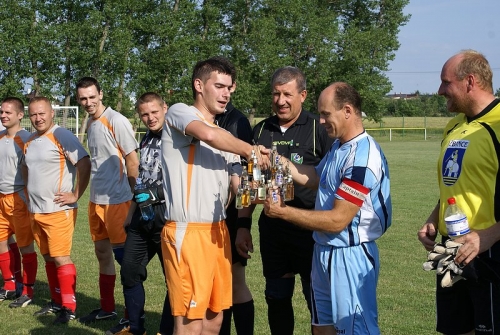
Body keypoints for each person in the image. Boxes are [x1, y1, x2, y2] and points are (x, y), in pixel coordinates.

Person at [264, 82, 392, 334]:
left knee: (355, 329)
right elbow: (315, 178)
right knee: (322, 327)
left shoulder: (361, 158)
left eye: (325, 114)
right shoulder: (338, 147)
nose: (321, 121)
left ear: (347, 110)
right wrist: (275, 159)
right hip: (324, 251)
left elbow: (337, 221)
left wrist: (283, 212)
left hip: (350, 255)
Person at [160, 56, 268, 335]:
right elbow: (206, 134)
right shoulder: (179, 112)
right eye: (219, 86)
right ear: (199, 84)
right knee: (189, 325)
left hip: (218, 232)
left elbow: (237, 187)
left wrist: (264, 188)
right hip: (188, 232)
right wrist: (250, 150)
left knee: (213, 321)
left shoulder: (224, 136)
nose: (226, 93)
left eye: (229, 88)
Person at [235, 66, 333, 334]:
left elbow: (333, 181)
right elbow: (249, 183)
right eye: (276, 94)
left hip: (311, 233)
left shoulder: (319, 128)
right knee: (277, 298)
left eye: (287, 94)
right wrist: (243, 226)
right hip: (273, 232)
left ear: (303, 95)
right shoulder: (260, 130)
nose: (280, 101)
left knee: (318, 303)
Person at [418, 50, 500, 334]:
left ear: (470, 81)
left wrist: (488, 236)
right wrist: (434, 216)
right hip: (451, 249)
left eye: (445, 82)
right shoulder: (454, 125)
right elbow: (455, 184)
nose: (440, 90)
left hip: (490, 252)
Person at [106, 92, 173, 335]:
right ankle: (136, 329)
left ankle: (167, 331)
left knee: (173, 280)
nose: (150, 117)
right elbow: (142, 180)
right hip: (141, 217)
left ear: (165, 108)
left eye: (154, 112)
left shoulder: (179, 136)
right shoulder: (145, 138)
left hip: (167, 217)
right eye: (145, 114)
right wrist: (130, 214)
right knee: (130, 272)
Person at [76, 77, 139, 324]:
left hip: (118, 201)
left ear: (101, 94)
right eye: (83, 98)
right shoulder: (91, 123)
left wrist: (133, 197)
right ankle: (108, 308)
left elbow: (132, 160)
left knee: (125, 260)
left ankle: (130, 314)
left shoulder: (117, 120)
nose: (88, 102)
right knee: (103, 253)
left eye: (92, 96)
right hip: (96, 200)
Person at [24, 97, 91, 324]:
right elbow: (26, 169)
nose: (38, 118)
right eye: (33, 114)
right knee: (49, 258)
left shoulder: (61, 134)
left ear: (52, 113)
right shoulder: (31, 140)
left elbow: (83, 162)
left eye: (42, 113)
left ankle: (69, 307)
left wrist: (75, 194)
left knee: (61, 258)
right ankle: (55, 301)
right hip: (36, 211)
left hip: (58, 210)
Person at [215, 95, 255, 334]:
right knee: (219, 283)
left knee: (234, 281)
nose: (222, 93)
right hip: (206, 214)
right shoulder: (203, 118)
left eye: (225, 86)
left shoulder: (237, 121)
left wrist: (242, 222)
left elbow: (244, 178)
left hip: (230, 214)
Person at [0, 97, 38, 308]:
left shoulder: (27, 139)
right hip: (0, 199)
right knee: (1, 243)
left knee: (25, 247)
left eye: (8, 112)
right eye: (2, 112)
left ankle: (28, 290)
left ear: (20, 115)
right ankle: (9, 284)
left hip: (20, 200)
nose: (4, 115)